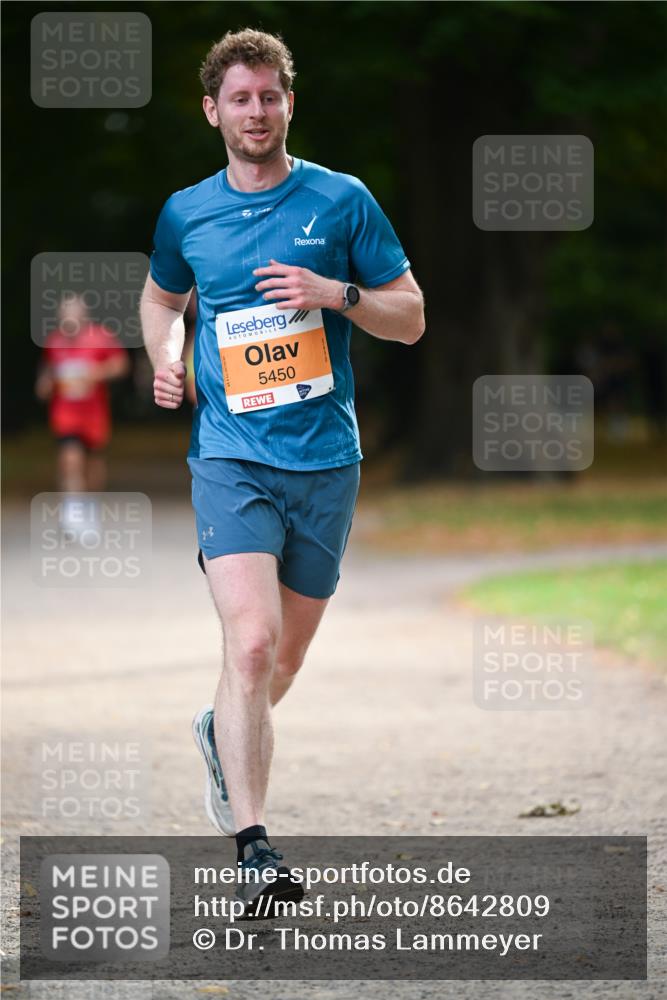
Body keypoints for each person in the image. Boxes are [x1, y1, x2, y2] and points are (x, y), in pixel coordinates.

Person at [141, 28, 424, 916]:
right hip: (229, 456)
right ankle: (254, 846)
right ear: (211, 110)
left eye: (269, 96)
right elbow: (161, 297)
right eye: (239, 98)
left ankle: (218, 732)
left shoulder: (342, 201)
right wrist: (166, 352)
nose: (254, 111)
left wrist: (334, 293)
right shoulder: (186, 212)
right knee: (250, 642)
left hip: (325, 462)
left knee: (279, 664)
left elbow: (410, 317)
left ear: (288, 104)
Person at [36, 294, 130, 499]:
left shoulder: (101, 336)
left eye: (73, 313)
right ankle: (73, 508)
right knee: (70, 459)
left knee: (94, 465)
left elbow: (121, 365)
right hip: (65, 414)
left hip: (94, 414)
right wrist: (45, 384)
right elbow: (48, 370)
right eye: (64, 313)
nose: (68, 318)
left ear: (83, 315)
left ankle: (90, 504)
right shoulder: (54, 341)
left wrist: (97, 372)